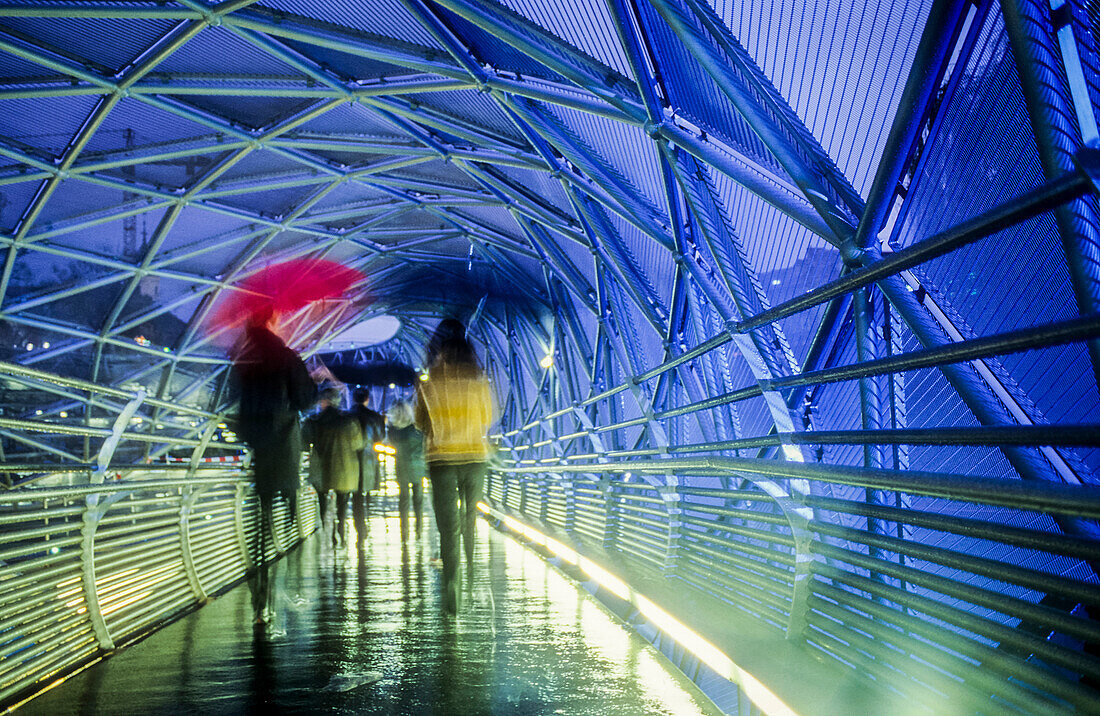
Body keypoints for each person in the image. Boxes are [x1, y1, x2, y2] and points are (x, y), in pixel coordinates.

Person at [233, 308, 316, 628]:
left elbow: (239, 411)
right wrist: (314, 380)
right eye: (279, 318)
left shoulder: (245, 359)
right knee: (280, 530)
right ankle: (276, 596)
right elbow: (304, 399)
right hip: (284, 447)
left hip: (260, 450)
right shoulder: (286, 357)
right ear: (271, 321)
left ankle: (260, 604)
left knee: (259, 529)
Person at [415, 318, 494, 613]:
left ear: (441, 355)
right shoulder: (479, 381)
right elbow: (487, 417)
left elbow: (420, 422)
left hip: (442, 460)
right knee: (469, 519)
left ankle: (452, 585)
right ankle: (472, 574)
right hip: (475, 458)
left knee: (448, 528)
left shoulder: (429, 383)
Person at [303, 386, 364, 549]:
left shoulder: (313, 421)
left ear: (325, 402)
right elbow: (359, 444)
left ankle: (328, 534)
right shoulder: (349, 421)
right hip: (345, 469)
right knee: (342, 506)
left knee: (322, 503)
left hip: (321, 470)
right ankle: (341, 533)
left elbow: (303, 443)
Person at [387, 400, 425, 540]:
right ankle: (419, 530)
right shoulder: (416, 430)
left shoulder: (394, 432)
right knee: (418, 500)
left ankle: (404, 533)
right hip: (417, 467)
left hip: (401, 467)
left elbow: (390, 441)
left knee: (403, 500)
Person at [351, 388, 385, 542]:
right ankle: (365, 524)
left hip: (351, 459)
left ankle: (360, 528)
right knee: (367, 492)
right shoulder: (375, 417)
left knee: (356, 496)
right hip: (369, 459)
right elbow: (380, 437)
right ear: (367, 399)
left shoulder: (346, 416)